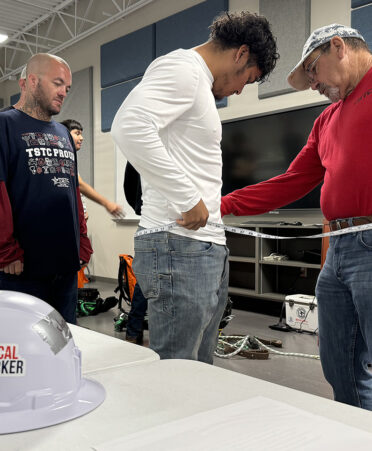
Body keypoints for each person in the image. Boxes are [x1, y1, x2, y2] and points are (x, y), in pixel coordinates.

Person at [111, 11, 279, 363]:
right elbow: (129, 126)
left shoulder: (196, 81)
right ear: (241, 53)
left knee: (198, 369)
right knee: (178, 369)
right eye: (247, 80)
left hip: (200, 248)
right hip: (179, 246)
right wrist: (188, 199)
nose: (238, 90)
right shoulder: (183, 69)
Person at [221, 24, 372, 409]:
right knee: (340, 365)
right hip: (338, 248)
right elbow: (292, 182)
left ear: (338, 47)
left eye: (313, 72)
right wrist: (223, 203)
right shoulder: (326, 120)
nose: (313, 85)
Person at [0, 53, 92, 324]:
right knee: (25, 352)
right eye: (58, 83)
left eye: (68, 88)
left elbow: (72, 190)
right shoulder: (4, 125)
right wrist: (5, 250)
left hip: (65, 267)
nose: (64, 92)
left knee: (64, 345)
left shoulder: (63, 133)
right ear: (31, 81)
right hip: (20, 270)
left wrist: (83, 241)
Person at [60, 119, 124, 219]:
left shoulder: (70, 157)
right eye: (77, 133)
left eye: (81, 134)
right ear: (65, 135)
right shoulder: (61, 157)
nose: (82, 138)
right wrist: (107, 203)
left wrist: (83, 209)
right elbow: (80, 184)